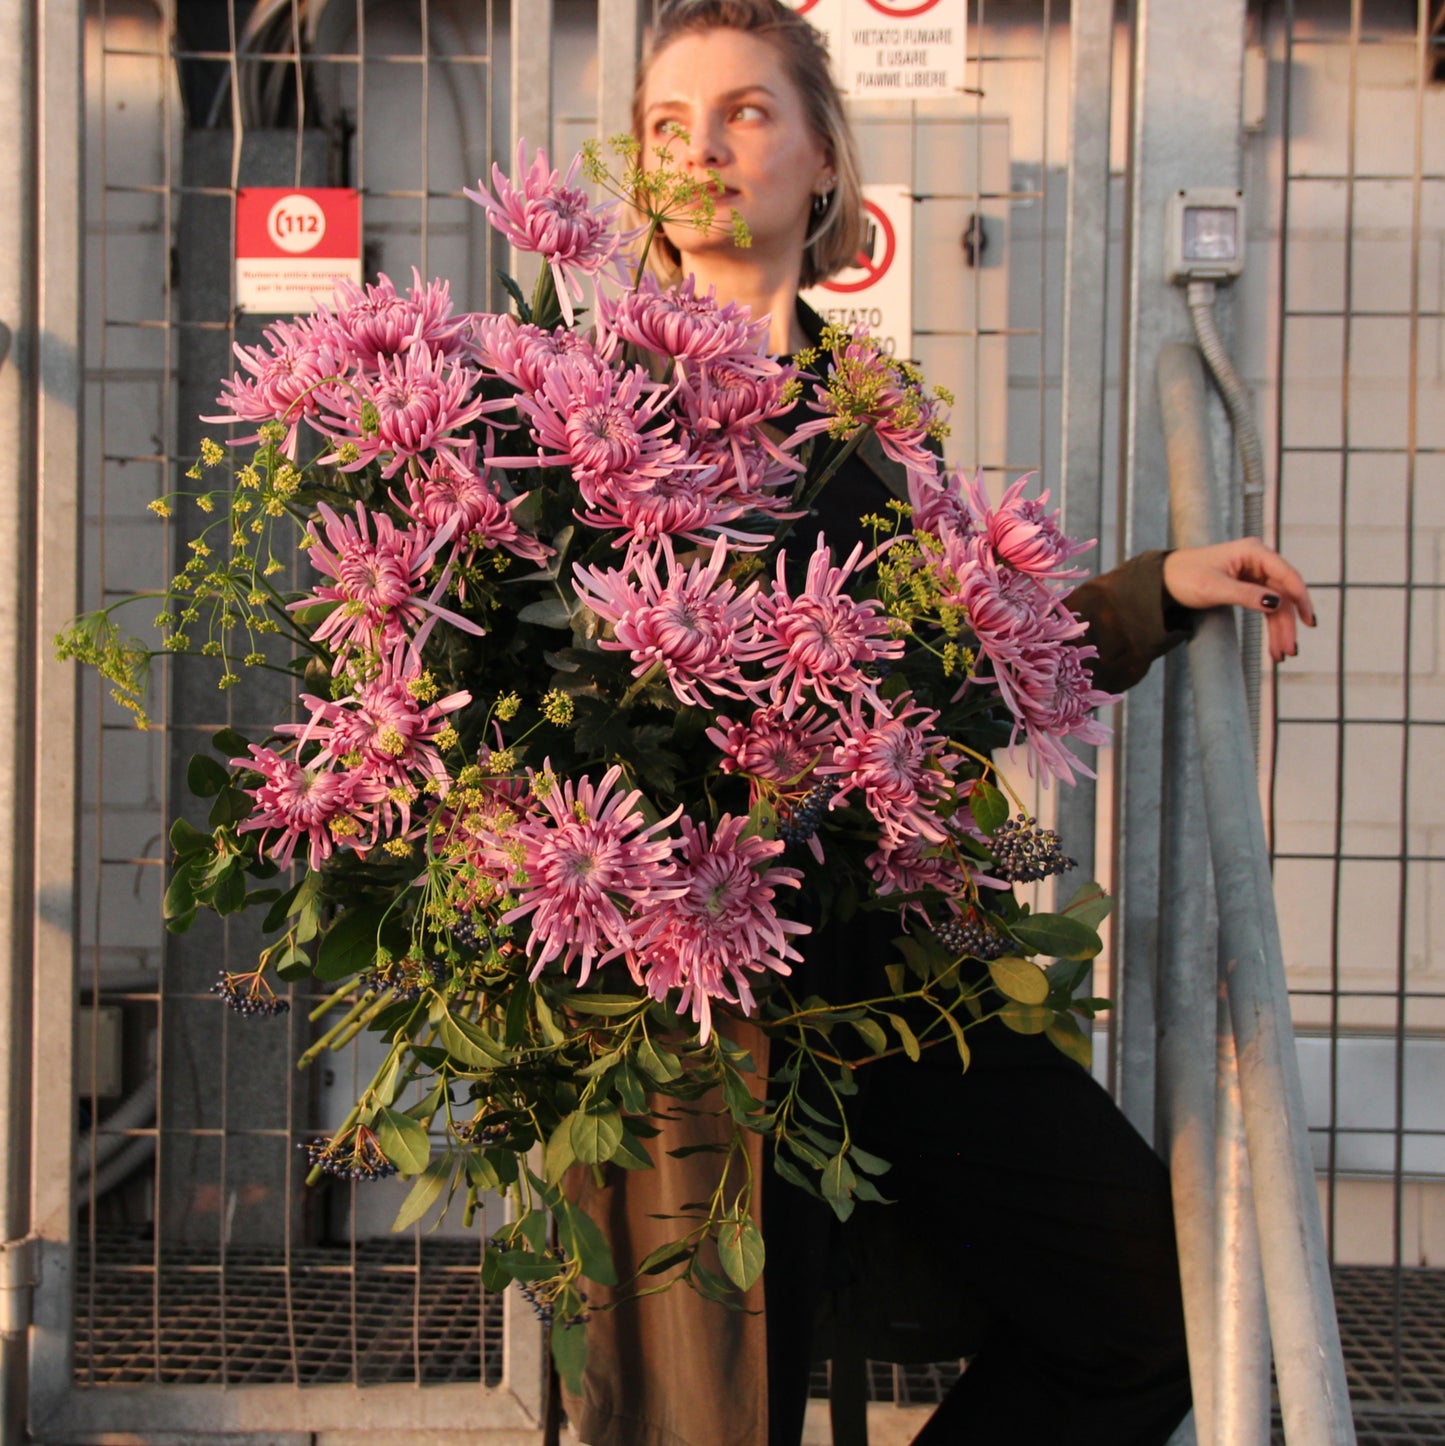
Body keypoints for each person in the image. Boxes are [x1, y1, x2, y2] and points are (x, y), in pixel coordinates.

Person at [563, 4, 1317, 1444]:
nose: (702, 148)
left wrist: (1152, 589)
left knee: (1146, 1312)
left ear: (822, 159)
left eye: (744, 112)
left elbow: (956, 664)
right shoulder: (575, 407)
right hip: (684, 1002)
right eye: (667, 123)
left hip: (901, 966)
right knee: (703, 1416)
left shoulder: (871, 407)